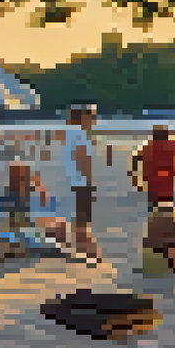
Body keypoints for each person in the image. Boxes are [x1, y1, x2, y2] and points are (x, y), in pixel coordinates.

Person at [59, 104, 103, 261]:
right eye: (92, 116)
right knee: (83, 219)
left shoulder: (69, 133)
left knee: (78, 216)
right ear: (83, 117)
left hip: (71, 180)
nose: (94, 120)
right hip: (81, 181)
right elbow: (82, 158)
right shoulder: (79, 134)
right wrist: (90, 180)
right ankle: (89, 251)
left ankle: (79, 249)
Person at [131, 125, 175, 212]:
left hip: (153, 188)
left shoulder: (148, 148)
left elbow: (135, 158)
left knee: (153, 210)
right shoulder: (171, 146)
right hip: (167, 188)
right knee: (167, 211)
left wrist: (135, 178)